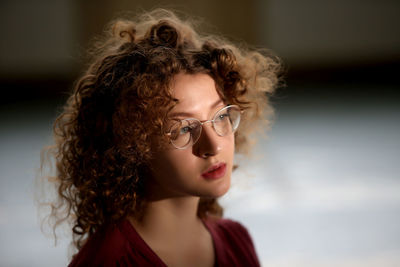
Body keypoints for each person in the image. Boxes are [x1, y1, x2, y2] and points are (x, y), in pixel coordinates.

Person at [42, 8, 281, 267]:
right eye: (184, 129)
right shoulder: (109, 261)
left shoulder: (236, 241)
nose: (213, 145)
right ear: (133, 143)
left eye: (221, 116)